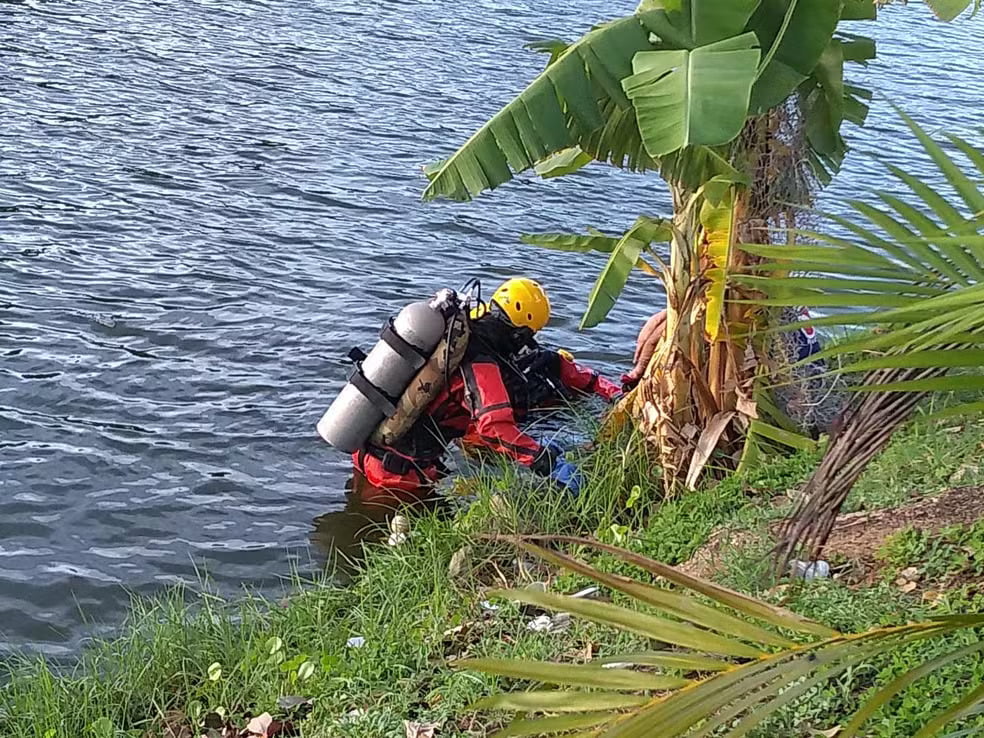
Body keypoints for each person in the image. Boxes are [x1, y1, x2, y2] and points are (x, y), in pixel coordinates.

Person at [351, 278, 621, 497]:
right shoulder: (481, 361)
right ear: (521, 333)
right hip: (398, 476)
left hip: (370, 447)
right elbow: (494, 428)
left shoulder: (459, 334)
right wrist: (544, 460)